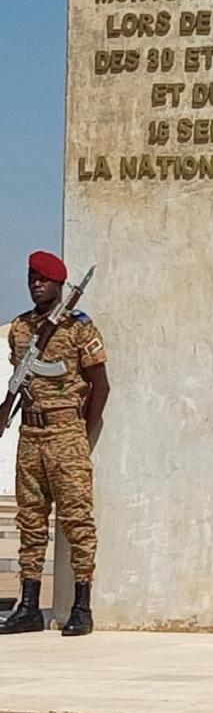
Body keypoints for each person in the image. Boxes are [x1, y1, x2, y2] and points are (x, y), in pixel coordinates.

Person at [0, 251, 109, 636]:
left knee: (77, 520)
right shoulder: (19, 329)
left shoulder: (79, 328)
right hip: (30, 436)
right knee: (30, 521)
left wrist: (81, 432)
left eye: (44, 279)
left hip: (66, 435)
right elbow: (19, 379)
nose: (37, 284)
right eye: (32, 278)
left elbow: (100, 386)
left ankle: (82, 606)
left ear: (60, 284)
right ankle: (29, 606)